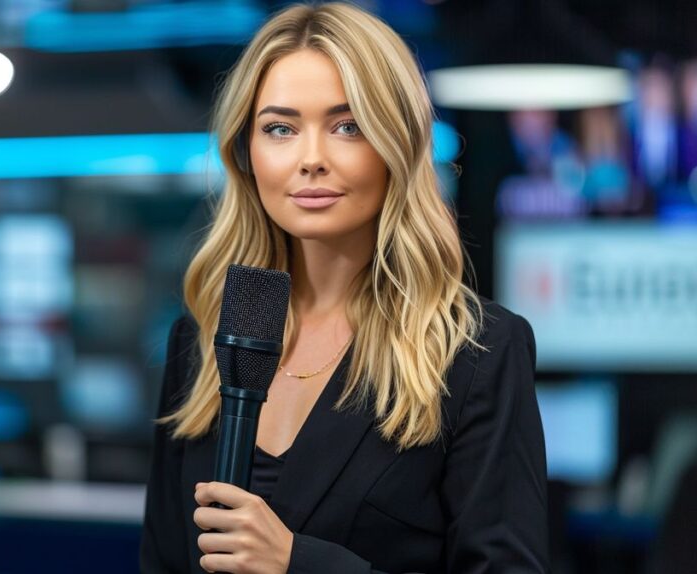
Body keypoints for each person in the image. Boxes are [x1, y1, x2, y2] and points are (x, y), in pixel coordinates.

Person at [139, 3, 548, 573]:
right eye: (280, 128)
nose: (311, 159)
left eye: (347, 126)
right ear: (246, 154)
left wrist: (298, 563)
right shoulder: (203, 340)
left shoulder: (476, 352)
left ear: (396, 145)